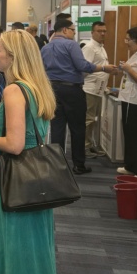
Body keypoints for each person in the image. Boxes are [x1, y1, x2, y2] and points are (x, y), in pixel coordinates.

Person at [0, 30, 57, 274]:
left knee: (13, 237)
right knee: (29, 238)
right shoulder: (37, 87)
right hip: (36, 176)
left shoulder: (13, 90)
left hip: (14, 175)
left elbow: (15, 145)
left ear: (13, 56)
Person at [41, 20, 116, 175]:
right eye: (73, 30)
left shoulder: (46, 47)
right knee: (77, 128)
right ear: (64, 30)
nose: (74, 33)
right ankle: (78, 165)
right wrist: (103, 68)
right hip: (72, 90)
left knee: (57, 128)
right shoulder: (71, 45)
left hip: (52, 89)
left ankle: (58, 165)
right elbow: (82, 66)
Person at [117, 27, 137, 177]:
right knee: (129, 134)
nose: (126, 42)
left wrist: (129, 69)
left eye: (128, 39)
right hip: (129, 100)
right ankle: (130, 165)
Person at [81, 21, 109, 158]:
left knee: (94, 120)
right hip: (90, 89)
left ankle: (90, 144)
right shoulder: (89, 47)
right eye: (99, 31)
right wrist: (104, 69)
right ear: (92, 32)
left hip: (99, 89)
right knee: (88, 119)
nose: (102, 33)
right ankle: (84, 148)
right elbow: (84, 68)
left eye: (104, 31)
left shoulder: (101, 47)